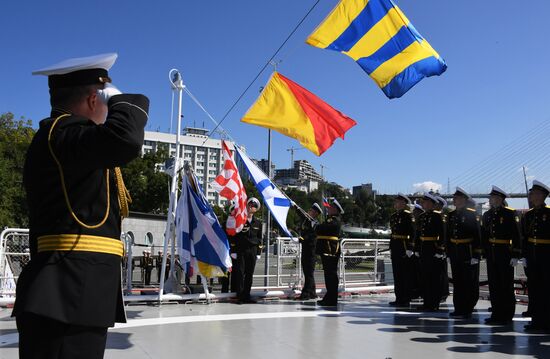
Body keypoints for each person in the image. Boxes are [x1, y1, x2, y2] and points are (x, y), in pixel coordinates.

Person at [13, 53, 149, 359]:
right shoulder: (60, 135)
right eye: (104, 96)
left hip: (77, 292)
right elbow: (125, 139)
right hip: (64, 293)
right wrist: (120, 98)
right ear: (92, 99)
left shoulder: (71, 139)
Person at [481, 185, 521, 325]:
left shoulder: (509, 213)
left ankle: (506, 315)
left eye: (492, 197)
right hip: (492, 254)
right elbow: (485, 235)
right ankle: (496, 314)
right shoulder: (488, 214)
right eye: (490, 198)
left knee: (505, 285)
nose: (490, 200)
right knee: (494, 284)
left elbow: (517, 235)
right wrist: (483, 252)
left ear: (499, 198)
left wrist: (516, 254)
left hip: (505, 252)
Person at [446, 187, 482, 318]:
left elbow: (478, 236)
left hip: (467, 251)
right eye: (454, 198)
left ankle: (467, 309)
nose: (454, 200)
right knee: (458, 281)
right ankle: (458, 307)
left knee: (468, 281)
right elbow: (448, 235)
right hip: (455, 252)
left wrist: (476, 254)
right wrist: (448, 252)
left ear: (464, 200)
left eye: (457, 198)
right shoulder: (451, 215)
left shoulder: (472, 214)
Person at [521, 180, 550, 333]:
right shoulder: (529, 215)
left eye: (536, 194)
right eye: (532, 193)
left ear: (543, 196)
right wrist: (524, 256)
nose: (532, 196)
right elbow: (524, 237)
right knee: (535, 289)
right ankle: (537, 321)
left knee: (546, 290)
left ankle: (546, 323)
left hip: (547, 257)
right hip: (533, 257)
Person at [415, 193, 445, 311]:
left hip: (433, 249)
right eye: (423, 202)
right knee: (425, 277)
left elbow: (442, 235)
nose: (424, 204)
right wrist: (416, 249)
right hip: (423, 249)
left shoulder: (437, 217)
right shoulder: (422, 217)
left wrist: (440, 250)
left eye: (426, 202)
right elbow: (418, 235)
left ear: (432, 204)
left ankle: (434, 303)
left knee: (434, 278)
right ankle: (427, 302)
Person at [233, 197, 263, 303]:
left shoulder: (258, 223)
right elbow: (235, 236)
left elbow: (260, 239)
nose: (251, 207)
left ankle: (247, 295)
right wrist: (233, 250)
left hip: (253, 250)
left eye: (254, 206)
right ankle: (240, 296)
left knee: (249, 274)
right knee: (240, 273)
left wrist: (259, 253)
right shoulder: (240, 220)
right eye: (250, 205)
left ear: (256, 209)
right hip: (242, 249)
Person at [388, 193, 415, 307]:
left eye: (398, 202)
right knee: (397, 274)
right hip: (396, 246)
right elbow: (393, 233)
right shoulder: (394, 216)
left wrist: (410, 248)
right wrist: (391, 246)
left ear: (404, 203)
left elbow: (413, 232)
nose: (396, 204)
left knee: (405, 275)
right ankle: (398, 297)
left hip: (404, 246)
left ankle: (405, 298)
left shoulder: (408, 215)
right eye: (395, 202)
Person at [316, 198, 343, 307]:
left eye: (331, 207)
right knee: (328, 275)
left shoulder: (334, 220)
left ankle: (332, 299)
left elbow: (322, 229)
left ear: (336, 209)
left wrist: (317, 226)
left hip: (330, 249)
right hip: (327, 249)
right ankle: (329, 297)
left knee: (331, 275)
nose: (329, 208)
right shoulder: (330, 219)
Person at [294, 202, 322, 300]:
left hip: (311, 251)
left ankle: (305, 294)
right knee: (308, 272)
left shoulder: (315, 224)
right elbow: (302, 216)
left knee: (309, 273)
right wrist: (295, 206)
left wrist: (304, 239)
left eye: (311, 210)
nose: (308, 212)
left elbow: (312, 237)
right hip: (306, 249)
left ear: (315, 213)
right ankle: (312, 293)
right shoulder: (307, 221)